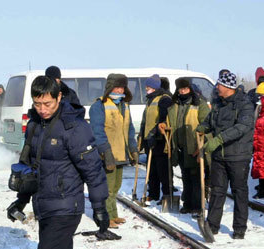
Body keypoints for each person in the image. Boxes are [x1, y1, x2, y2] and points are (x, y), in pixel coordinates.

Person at [6, 76, 109, 249]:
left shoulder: (74, 127)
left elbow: (93, 170)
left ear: (59, 97)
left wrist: (100, 207)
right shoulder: (35, 125)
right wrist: (21, 200)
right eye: (38, 103)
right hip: (45, 205)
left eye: (47, 103)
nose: (43, 109)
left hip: (67, 205)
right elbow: (29, 167)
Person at [197, 70, 255, 239]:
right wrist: (202, 127)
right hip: (219, 157)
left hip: (238, 156)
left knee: (239, 192)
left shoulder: (245, 104)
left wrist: (218, 139)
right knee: (217, 191)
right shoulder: (218, 103)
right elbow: (210, 120)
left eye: (219, 85)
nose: (217, 87)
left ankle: (239, 228)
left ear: (228, 87)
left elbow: (242, 128)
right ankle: (212, 225)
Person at [88, 74, 138, 228]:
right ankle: (105, 216)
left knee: (116, 186)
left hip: (121, 153)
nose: (119, 90)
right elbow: (97, 132)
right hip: (108, 154)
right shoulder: (99, 106)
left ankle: (113, 214)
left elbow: (129, 129)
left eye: (122, 87)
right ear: (109, 88)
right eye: (117, 87)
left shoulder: (124, 105)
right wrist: (106, 153)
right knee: (107, 188)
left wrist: (133, 149)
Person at [168, 77, 210, 214]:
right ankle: (188, 203)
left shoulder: (199, 104)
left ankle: (198, 205)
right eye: (180, 89)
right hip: (180, 148)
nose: (183, 91)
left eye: (185, 88)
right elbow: (170, 121)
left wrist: (202, 146)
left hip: (194, 147)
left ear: (190, 89)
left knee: (196, 177)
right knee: (185, 177)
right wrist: (163, 125)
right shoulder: (175, 105)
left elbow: (207, 124)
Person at [140, 74, 174, 203]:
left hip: (160, 140)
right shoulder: (150, 100)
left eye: (148, 87)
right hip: (150, 139)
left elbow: (164, 119)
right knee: (152, 169)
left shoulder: (164, 99)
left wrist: (155, 134)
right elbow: (146, 120)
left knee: (163, 170)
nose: (146, 89)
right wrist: (142, 136)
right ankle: (153, 193)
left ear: (154, 87)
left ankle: (167, 195)